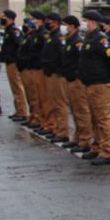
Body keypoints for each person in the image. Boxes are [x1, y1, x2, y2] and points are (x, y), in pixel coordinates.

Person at [77, 11, 110, 166]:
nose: (83, 23)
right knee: (95, 117)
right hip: (91, 81)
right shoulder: (89, 37)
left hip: (100, 82)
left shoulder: (100, 38)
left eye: (85, 20)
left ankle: (106, 151)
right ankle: (97, 147)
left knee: (102, 117)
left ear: (93, 22)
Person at [58, 15, 92, 153]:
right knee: (75, 110)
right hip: (70, 79)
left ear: (71, 26)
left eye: (64, 24)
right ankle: (77, 137)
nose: (62, 27)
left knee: (81, 111)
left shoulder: (78, 41)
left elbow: (82, 60)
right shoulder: (69, 40)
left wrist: (76, 74)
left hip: (77, 80)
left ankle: (85, 140)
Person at [41, 12, 70, 143]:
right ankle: (57, 129)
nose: (46, 23)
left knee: (59, 104)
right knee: (54, 103)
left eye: (49, 20)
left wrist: (60, 70)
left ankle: (63, 132)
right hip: (50, 73)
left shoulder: (59, 37)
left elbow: (63, 55)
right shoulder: (51, 35)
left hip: (57, 74)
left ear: (56, 22)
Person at [0, 10, 27, 121]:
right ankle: (18, 110)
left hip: (14, 62)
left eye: (3, 16)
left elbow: (20, 45)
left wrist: (17, 59)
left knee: (17, 87)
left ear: (10, 18)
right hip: (9, 61)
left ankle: (22, 112)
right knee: (14, 87)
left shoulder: (14, 31)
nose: (2, 18)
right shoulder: (8, 30)